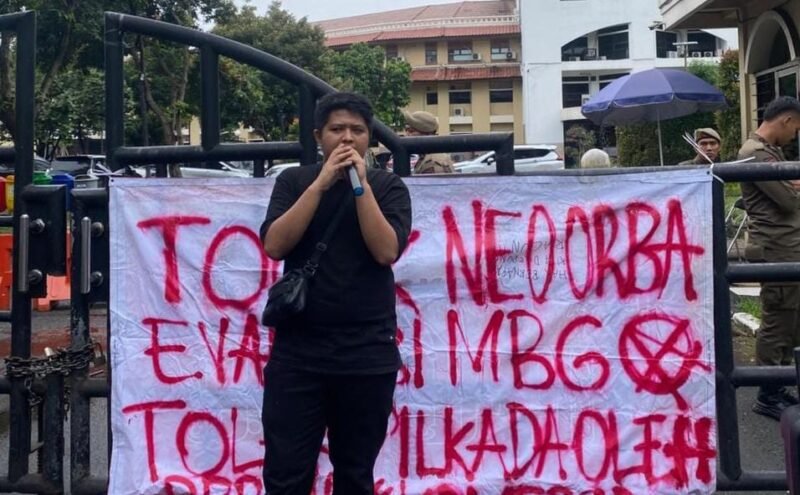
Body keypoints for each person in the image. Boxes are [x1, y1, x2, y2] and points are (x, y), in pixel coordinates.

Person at [260, 92, 412, 493]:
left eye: (358, 130)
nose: (347, 139)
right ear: (318, 136)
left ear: (370, 138)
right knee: (286, 473)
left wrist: (359, 185)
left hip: (366, 353)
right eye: (337, 129)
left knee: (355, 474)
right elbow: (276, 245)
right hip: (298, 353)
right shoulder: (293, 181)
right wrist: (321, 184)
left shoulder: (388, 185)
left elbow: (385, 250)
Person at [738, 96, 800, 420]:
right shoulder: (755, 154)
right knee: (778, 320)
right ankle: (767, 391)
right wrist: (793, 187)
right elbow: (789, 200)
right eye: (796, 129)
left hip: (784, 246)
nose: (795, 137)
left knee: (790, 320)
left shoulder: (768, 152)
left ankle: (778, 382)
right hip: (775, 247)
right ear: (786, 120)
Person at [402, 109, 455, 174]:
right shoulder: (428, 157)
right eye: (406, 130)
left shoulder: (432, 163)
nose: (406, 135)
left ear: (427, 134)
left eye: (411, 131)